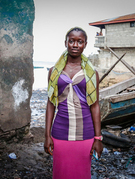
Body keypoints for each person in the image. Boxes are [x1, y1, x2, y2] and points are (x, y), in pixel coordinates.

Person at [44, 27, 103, 179]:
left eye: (80, 42)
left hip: (86, 133)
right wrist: (47, 136)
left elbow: (95, 106)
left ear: (85, 44)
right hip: (60, 131)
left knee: (82, 173)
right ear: (66, 43)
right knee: (61, 173)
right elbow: (51, 104)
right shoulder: (54, 71)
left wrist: (98, 138)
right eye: (72, 41)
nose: (75, 45)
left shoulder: (91, 73)